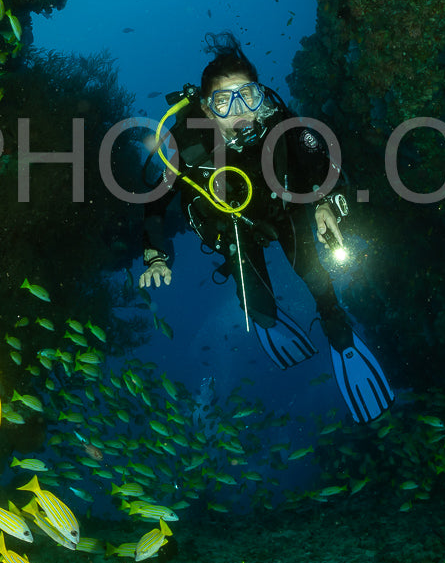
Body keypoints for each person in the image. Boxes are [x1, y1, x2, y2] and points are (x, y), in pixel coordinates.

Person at [139, 33, 393, 423]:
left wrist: (326, 202)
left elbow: (320, 164)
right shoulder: (186, 144)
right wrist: (155, 254)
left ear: (262, 97)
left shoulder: (282, 124)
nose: (240, 109)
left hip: (283, 215)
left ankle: (339, 333)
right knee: (257, 307)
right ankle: (265, 318)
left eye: (249, 96)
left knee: (316, 276)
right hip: (232, 231)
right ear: (207, 110)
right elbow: (154, 204)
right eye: (224, 101)